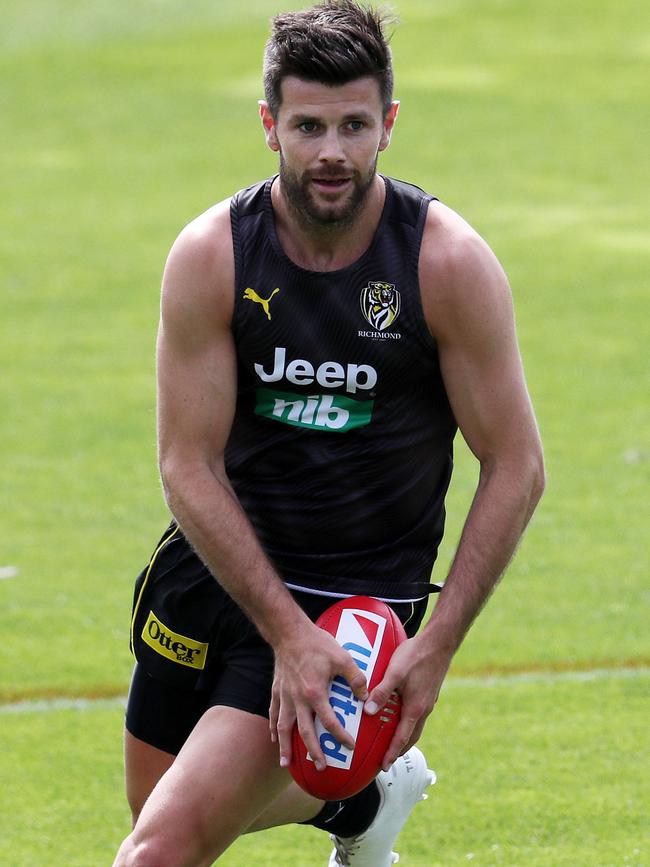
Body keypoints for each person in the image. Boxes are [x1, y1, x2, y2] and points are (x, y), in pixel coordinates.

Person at [113, 1, 545, 865]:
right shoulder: (213, 255)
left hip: (351, 600)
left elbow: (516, 464)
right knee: (152, 808)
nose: (332, 152)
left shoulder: (444, 265)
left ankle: (355, 785)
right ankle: (363, 803)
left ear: (388, 123)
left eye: (354, 125)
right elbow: (186, 464)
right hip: (214, 572)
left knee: (154, 853)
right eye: (309, 126)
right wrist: (281, 631)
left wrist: (437, 642)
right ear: (270, 125)